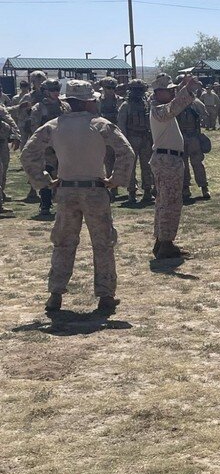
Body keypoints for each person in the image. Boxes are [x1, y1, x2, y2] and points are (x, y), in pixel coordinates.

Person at [20, 80, 134, 313]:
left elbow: (28, 154)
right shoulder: (101, 125)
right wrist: (116, 180)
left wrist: (43, 182)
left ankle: (55, 294)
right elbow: (126, 152)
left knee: (63, 243)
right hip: (95, 189)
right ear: (88, 101)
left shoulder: (53, 126)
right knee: (102, 243)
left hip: (66, 190)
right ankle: (105, 296)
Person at [149, 73, 199, 260]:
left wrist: (183, 87)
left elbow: (174, 104)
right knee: (170, 203)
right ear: (158, 92)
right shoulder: (158, 110)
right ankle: (166, 244)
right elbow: (174, 107)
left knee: (164, 202)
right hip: (167, 161)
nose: (172, 93)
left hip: (168, 160)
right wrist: (187, 89)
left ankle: (162, 242)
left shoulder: (160, 108)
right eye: (168, 90)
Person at [30, 78, 70, 216]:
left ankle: (62, 203)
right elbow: (35, 129)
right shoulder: (39, 108)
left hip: (63, 147)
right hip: (47, 149)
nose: (56, 93)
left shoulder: (65, 107)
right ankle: (46, 204)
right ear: (45, 92)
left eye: (57, 90)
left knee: (64, 175)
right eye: (52, 90)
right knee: (46, 175)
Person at [117, 79, 154, 204]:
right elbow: (121, 125)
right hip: (131, 138)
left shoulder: (146, 104)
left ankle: (147, 191)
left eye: (140, 90)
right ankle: (132, 192)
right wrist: (124, 142)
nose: (138, 93)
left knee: (147, 166)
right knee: (131, 167)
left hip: (145, 138)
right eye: (136, 90)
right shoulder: (125, 106)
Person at [178, 94, 210, 200]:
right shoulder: (176, 103)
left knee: (197, 163)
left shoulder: (196, 103)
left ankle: (204, 187)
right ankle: (185, 187)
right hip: (180, 137)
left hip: (193, 136)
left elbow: (205, 116)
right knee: (183, 164)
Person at [98, 77, 120, 198]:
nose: (110, 90)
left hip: (117, 134)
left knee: (119, 161)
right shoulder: (98, 102)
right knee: (107, 162)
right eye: (108, 88)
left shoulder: (120, 101)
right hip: (103, 136)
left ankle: (116, 185)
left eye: (113, 88)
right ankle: (110, 187)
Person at [0, 105, 21, 214]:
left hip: (2, 143)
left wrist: (16, 136)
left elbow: (11, 123)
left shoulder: (1, 109)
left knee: (2, 173)